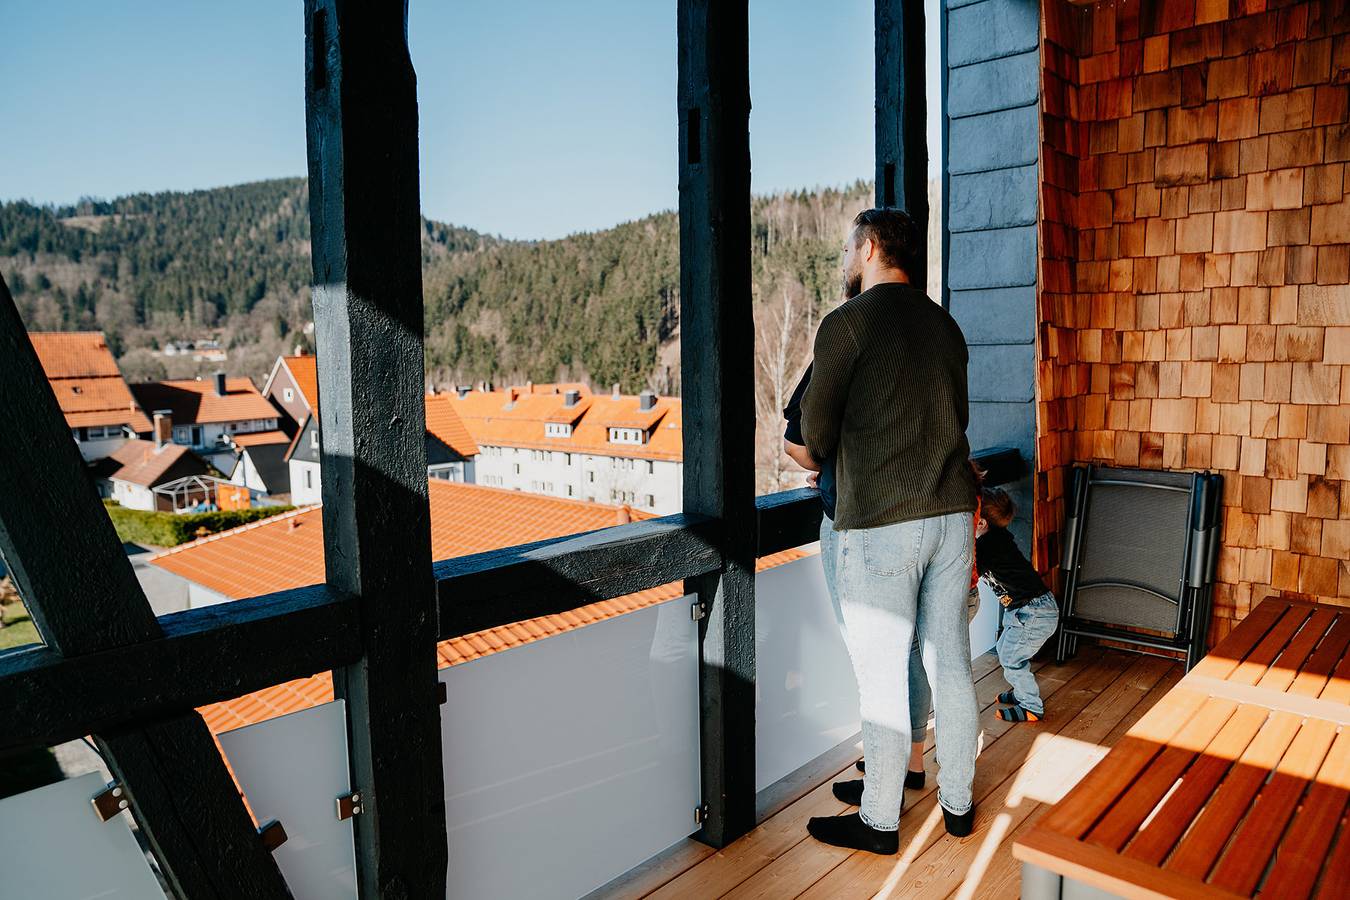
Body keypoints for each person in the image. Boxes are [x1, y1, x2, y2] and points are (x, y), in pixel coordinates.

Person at [800, 207, 979, 855]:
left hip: (882, 523)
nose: (848, 258)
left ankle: (880, 821)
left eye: (851, 247)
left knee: (880, 674)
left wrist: (817, 451)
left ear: (871, 247)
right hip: (953, 514)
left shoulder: (846, 325)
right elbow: (955, 417)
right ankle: (957, 804)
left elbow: (815, 434)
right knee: (951, 663)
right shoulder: (945, 326)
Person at [783, 369, 930, 793]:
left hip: (855, 520)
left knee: (870, 654)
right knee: (913, 646)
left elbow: (799, 445)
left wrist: (835, 468)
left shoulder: (842, 346)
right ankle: (912, 763)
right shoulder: (918, 341)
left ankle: (883, 787)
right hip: (917, 514)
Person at [977, 487, 1059, 723]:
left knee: (1011, 659)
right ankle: (1021, 689)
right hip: (1029, 609)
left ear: (981, 522)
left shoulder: (987, 547)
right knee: (1005, 650)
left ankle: (1031, 706)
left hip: (1032, 612)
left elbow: (969, 571)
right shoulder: (999, 537)